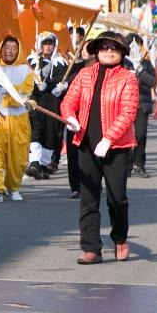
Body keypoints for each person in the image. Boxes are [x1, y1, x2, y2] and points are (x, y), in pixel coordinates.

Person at [60, 31, 139, 265]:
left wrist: (109, 139)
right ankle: (91, 247)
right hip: (85, 144)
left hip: (116, 147)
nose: (108, 51)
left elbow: (128, 111)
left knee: (117, 198)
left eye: (113, 48)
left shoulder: (128, 78)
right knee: (88, 197)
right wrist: (70, 118)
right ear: (96, 51)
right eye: (103, 48)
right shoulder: (84, 74)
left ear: (122, 52)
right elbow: (68, 102)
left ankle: (120, 238)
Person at [0, 36, 37, 204]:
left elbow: (25, 93)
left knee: (18, 159)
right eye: (7, 47)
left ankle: (13, 187)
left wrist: (10, 93)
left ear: (19, 50)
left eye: (13, 47)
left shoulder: (26, 71)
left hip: (18, 119)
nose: (10, 51)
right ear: (1, 49)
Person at [25, 33, 69, 180]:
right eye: (45, 43)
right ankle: (35, 162)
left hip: (52, 102)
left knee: (50, 133)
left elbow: (64, 80)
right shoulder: (31, 61)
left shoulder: (61, 63)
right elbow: (24, 81)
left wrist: (61, 88)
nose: (48, 46)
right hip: (35, 101)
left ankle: (43, 165)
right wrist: (34, 83)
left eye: (50, 43)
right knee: (35, 129)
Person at [63, 43, 95, 199]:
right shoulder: (75, 68)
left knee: (91, 153)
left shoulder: (102, 68)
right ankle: (75, 187)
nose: (84, 52)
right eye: (82, 49)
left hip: (93, 117)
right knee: (73, 153)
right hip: (75, 118)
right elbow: (65, 82)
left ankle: (92, 184)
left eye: (87, 49)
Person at [129, 34, 157, 178]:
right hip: (125, 105)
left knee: (140, 135)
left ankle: (139, 164)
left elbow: (153, 81)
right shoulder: (122, 63)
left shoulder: (145, 64)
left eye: (137, 45)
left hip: (142, 104)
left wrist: (140, 70)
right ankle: (126, 164)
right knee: (124, 137)